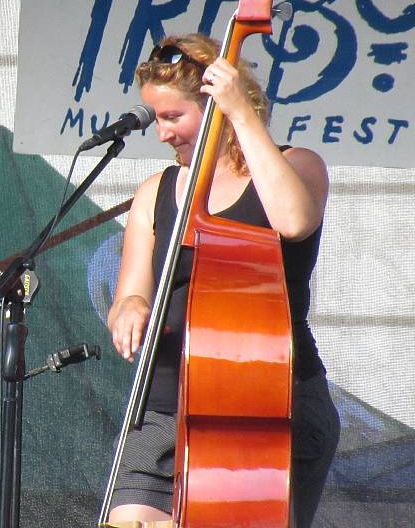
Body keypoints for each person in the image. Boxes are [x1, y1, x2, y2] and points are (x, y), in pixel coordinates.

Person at [106, 34, 339, 527]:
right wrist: (128, 307)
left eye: (174, 117)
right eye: (157, 119)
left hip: (269, 404)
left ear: (216, 105)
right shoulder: (156, 190)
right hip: (166, 406)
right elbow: (132, 289)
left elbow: (294, 221)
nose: (163, 133)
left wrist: (241, 115)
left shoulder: (298, 165)